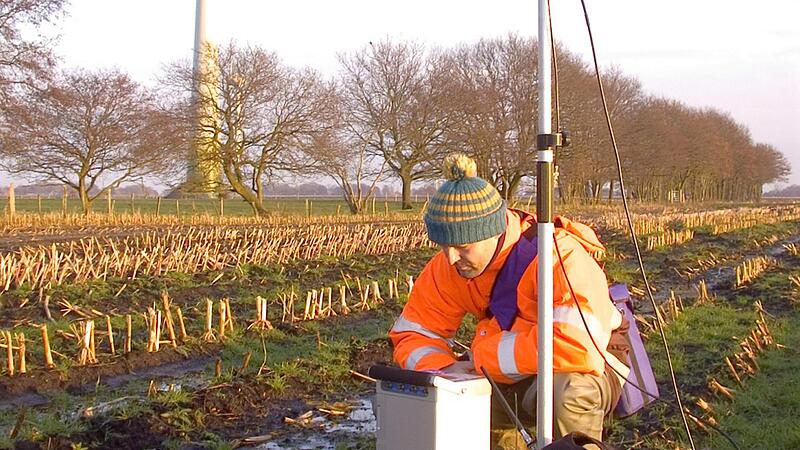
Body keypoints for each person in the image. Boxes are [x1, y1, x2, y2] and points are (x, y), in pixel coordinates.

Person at [389, 154, 630, 446]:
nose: (451, 258)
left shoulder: (559, 257)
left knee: (569, 392)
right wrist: (445, 373)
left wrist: (481, 360)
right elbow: (414, 333)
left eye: (462, 247)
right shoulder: (449, 265)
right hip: (510, 367)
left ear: (494, 232)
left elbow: (577, 347)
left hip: (588, 368)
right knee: (445, 397)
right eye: (443, 246)